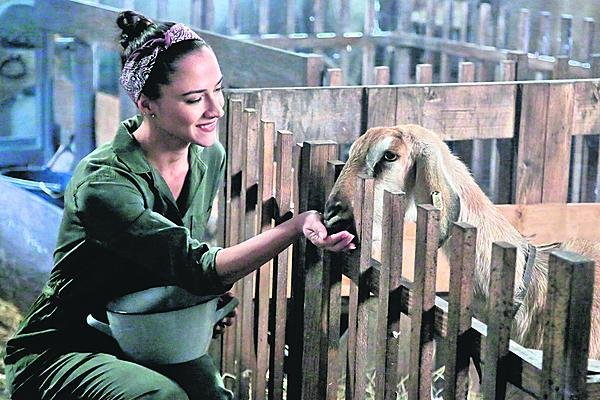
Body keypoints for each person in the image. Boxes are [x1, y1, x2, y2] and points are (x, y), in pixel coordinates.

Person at [4, 11, 355, 400]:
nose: (216, 109)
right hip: (67, 346)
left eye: (217, 90)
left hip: (144, 334)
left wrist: (199, 308)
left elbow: (167, 265)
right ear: (146, 102)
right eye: (193, 99)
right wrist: (294, 227)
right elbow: (193, 265)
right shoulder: (104, 184)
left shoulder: (208, 158)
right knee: (162, 397)